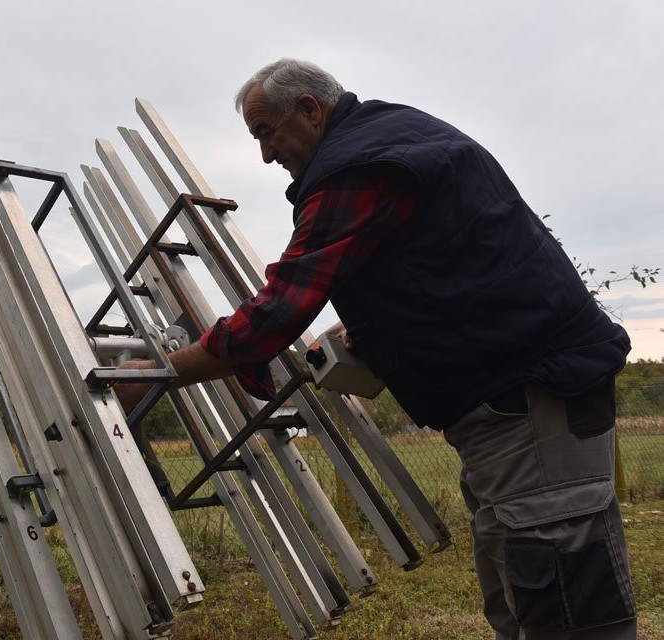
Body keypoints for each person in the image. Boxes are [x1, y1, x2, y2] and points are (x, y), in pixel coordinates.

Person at [115, 58, 637, 639]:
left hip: (532, 403)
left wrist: (160, 374)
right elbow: (449, 262)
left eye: (266, 132)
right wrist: (372, 329)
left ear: (310, 110)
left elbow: (277, 311)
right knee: (519, 589)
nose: (265, 154)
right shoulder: (396, 134)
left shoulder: (354, 167)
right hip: (513, 405)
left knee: (563, 597)